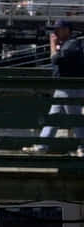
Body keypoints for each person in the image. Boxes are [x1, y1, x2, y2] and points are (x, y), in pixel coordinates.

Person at [35, 19, 84, 148]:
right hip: (63, 87)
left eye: (59, 29)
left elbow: (55, 59)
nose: (55, 32)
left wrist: (52, 43)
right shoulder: (67, 43)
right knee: (53, 118)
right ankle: (42, 146)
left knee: (75, 119)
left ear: (67, 30)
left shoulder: (72, 44)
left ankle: (83, 147)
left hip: (70, 88)